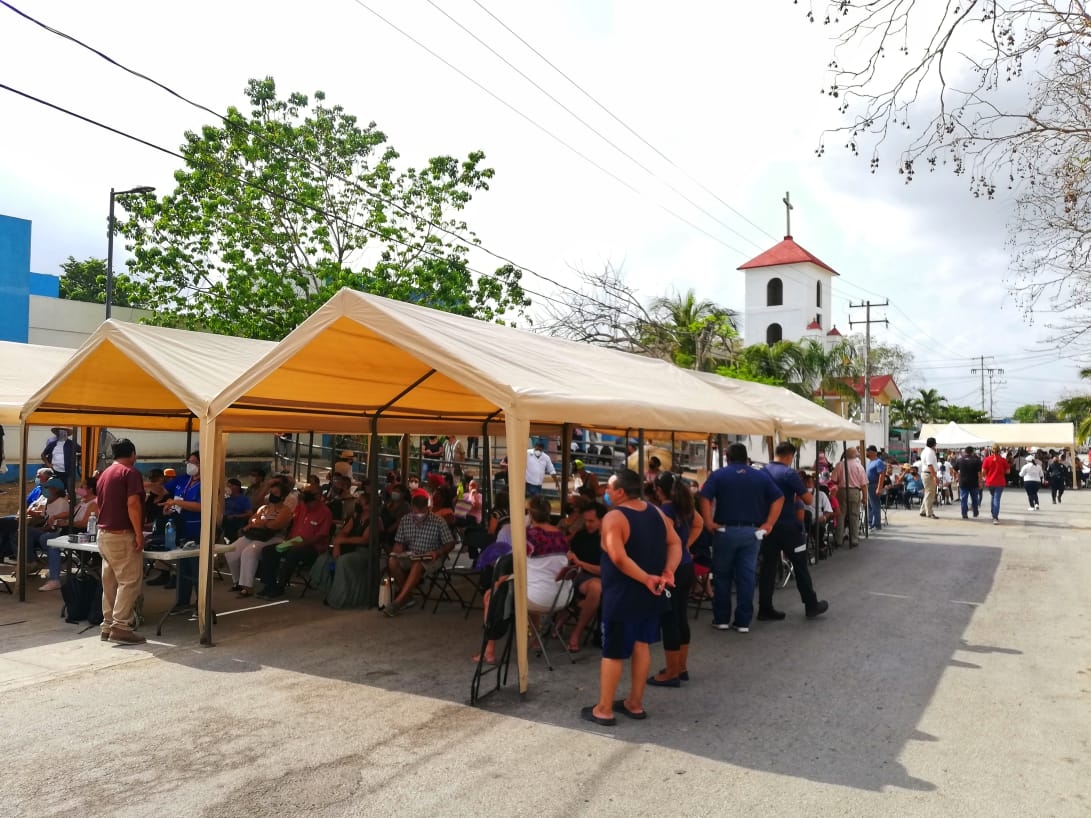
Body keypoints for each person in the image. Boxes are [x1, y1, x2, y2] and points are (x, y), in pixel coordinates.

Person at [581, 470, 681, 726]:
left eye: (610, 488)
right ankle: (634, 703)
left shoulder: (615, 517)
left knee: (612, 651)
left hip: (624, 593)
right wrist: (667, 570)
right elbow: (675, 543)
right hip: (651, 592)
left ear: (621, 491)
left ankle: (604, 708)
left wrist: (648, 577)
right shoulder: (656, 512)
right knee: (641, 645)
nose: (606, 492)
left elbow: (617, 557)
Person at [700, 443, 784, 633]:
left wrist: (708, 522)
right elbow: (779, 498)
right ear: (746, 458)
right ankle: (743, 621)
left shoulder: (719, 475)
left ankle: (721, 619)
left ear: (727, 458)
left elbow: (704, 497)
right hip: (752, 533)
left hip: (725, 531)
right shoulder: (760, 476)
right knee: (746, 577)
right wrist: (769, 524)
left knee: (722, 576)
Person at [758, 443, 830, 623]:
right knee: (800, 565)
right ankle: (811, 604)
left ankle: (764, 608)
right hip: (789, 526)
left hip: (768, 526)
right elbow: (808, 498)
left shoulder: (762, 472)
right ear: (790, 456)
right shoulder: (789, 474)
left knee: (768, 567)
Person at [649, 472, 701, 687]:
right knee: (680, 616)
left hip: (672, 569)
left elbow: (661, 541)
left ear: (659, 491)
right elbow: (699, 524)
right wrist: (685, 544)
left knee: (670, 618)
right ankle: (680, 666)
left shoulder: (664, 512)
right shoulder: (684, 507)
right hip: (686, 566)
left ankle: (671, 672)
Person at [94, 438, 146, 645]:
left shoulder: (104, 474)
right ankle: (121, 627)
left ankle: (107, 625)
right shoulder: (130, 473)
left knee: (110, 582)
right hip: (121, 534)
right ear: (132, 453)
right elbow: (132, 503)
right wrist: (139, 533)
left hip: (104, 533)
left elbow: (101, 504)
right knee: (130, 581)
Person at [385, 493, 456, 616]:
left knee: (418, 565)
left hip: (433, 556)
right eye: (416, 512)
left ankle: (398, 602)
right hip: (411, 553)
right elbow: (399, 543)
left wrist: (438, 552)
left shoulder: (438, 521)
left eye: (422, 512)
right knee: (392, 561)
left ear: (427, 509)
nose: (419, 515)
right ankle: (407, 596)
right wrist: (397, 552)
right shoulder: (405, 520)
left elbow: (450, 543)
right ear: (412, 508)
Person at [256, 486, 334, 599]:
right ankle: (269, 585)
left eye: (309, 495)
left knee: (294, 552)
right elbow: (293, 525)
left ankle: (280, 586)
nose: (305, 497)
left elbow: (321, 537)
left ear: (318, 496)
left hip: (312, 548)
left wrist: (301, 543)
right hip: (293, 542)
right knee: (268, 550)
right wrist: (288, 540)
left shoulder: (325, 512)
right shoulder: (301, 507)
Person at [225, 482, 294, 596]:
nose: (271, 495)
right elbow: (251, 520)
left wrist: (257, 523)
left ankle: (247, 587)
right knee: (231, 551)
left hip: (274, 537)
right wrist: (260, 523)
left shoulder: (285, 511)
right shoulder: (263, 508)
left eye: (275, 493)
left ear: (282, 496)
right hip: (255, 535)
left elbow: (273, 525)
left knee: (249, 552)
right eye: (270, 492)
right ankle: (237, 582)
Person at [39, 476, 99, 591]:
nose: (79, 488)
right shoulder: (83, 502)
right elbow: (70, 513)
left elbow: (84, 523)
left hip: (82, 533)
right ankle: (55, 565)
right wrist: (56, 516)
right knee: (44, 539)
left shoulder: (94, 503)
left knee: (51, 543)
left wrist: (66, 523)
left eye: (82, 486)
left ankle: (54, 579)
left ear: (90, 489)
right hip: (71, 530)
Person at [162, 452, 204, 611]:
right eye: (189, 461)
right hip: (180, 528)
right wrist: (170, 507)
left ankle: (202, 603)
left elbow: (201, 506)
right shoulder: (185, 480)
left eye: (194, 462)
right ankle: (182, 601)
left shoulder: (205, 483)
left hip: (197, 529)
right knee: (183, 568)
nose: (190, 465)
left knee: (197, 569)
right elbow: (174, 499)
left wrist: (178, 502)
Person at [565, 502, 605, 654]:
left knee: (598, 586)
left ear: (602, 520)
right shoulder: (581, 536)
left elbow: (605, 570)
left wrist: (581, 563)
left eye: (591, 521)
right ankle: (577, 633)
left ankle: (579, 608)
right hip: (581, 577)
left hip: (602, 577)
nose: (587, 525)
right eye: (585, 521)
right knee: (596, 587)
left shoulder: (609, 540)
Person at [834, 447, 868, 547]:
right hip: (855, 491)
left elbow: (834, 479)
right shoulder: (859, 466)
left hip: (841, 491)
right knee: (854, 516)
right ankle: (854, 540)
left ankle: (838, 539)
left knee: (840, 516)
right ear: (855, 455)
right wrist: (865, 497)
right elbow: (864, 484)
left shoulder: (839, 465)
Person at [953, 446, 984, 519]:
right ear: (972, 452)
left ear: (965, 452)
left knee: (964, 499)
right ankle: (975, 512)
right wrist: (980, 482)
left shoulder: (960, 460)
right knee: (974, 499)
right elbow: (979, 472)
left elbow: (954, 469)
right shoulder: (977, 460)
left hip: (963, 482)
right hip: (974, 482)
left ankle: (964, 514)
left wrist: (957, 476)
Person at [981, 445, 1008, 524]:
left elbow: (983, 471)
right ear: (999, 451)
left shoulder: (987, 459)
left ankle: (993, 513)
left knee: (993, 497)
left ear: (991, 451)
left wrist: (985, 476)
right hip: (1000, 482)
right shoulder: (1003, 460)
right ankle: (995, 517)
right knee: (996, 499)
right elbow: (1008, 471)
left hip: (990, 482)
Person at [222, 477, 252, 542]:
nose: (227, 488)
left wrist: (235, 516)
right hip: (224, 521)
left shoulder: (243, 499)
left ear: (237, 487)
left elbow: (249, 513)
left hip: (236, 523)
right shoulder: (226, 498)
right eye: (227, 486)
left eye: (230, 486)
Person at [864, 445, 885, 532]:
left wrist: (879, 488)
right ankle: (870, 523)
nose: (866, 453)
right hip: (868, 485)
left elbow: (881, 474)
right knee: (870, 506)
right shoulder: (870, 462)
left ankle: (877, 524)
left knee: (875, 505)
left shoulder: (878, 462)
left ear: (872, 452)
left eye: (867, 451)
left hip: (874, 485)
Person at [918, 437, 940, 518]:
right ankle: (929, 512)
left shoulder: (925, 451)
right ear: (933, 444)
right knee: (930, 494)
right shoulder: (930, 452)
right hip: (929, 474)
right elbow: (930, 465)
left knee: (928, 493)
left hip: (927, 473)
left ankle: (923, 510)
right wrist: (935, 477)